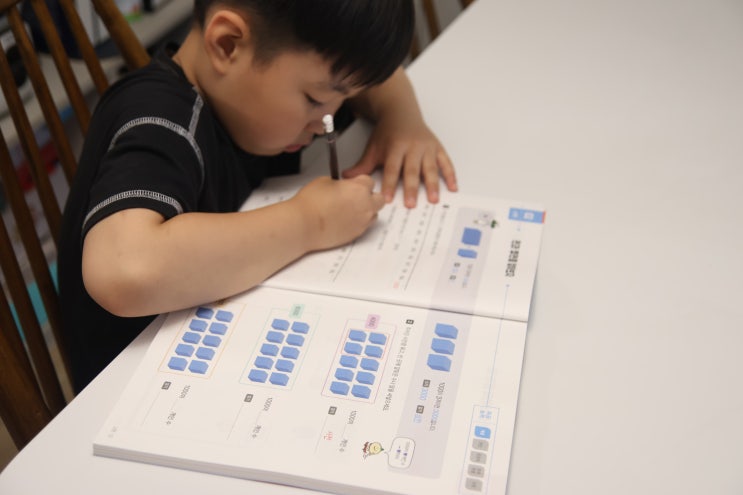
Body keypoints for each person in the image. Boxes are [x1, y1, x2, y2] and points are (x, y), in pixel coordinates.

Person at [58, 0, 457, 392]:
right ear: (227, 44)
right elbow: (123, 270)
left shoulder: (256, 88)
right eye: (315, 100)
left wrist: (401, 118)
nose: (326, 122)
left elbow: (371, 76)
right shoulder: (160, 119)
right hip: (134, 391)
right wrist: (309, 222)